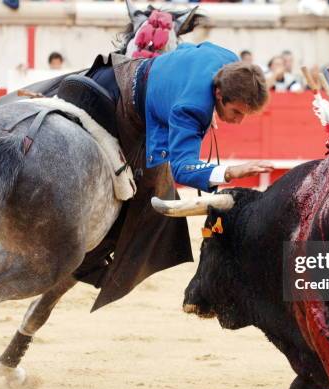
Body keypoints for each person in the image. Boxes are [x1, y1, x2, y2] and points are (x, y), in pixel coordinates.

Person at [72, 42, 273, 303]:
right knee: (145, 193)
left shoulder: (228, 60)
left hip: (126, 70)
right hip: (118, 103)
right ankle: (88, 265)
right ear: (219, 92)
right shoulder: (192, 108)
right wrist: (230, 171)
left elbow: (190, 46)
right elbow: (182, 167)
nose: (237, 121)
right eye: (235, 111)